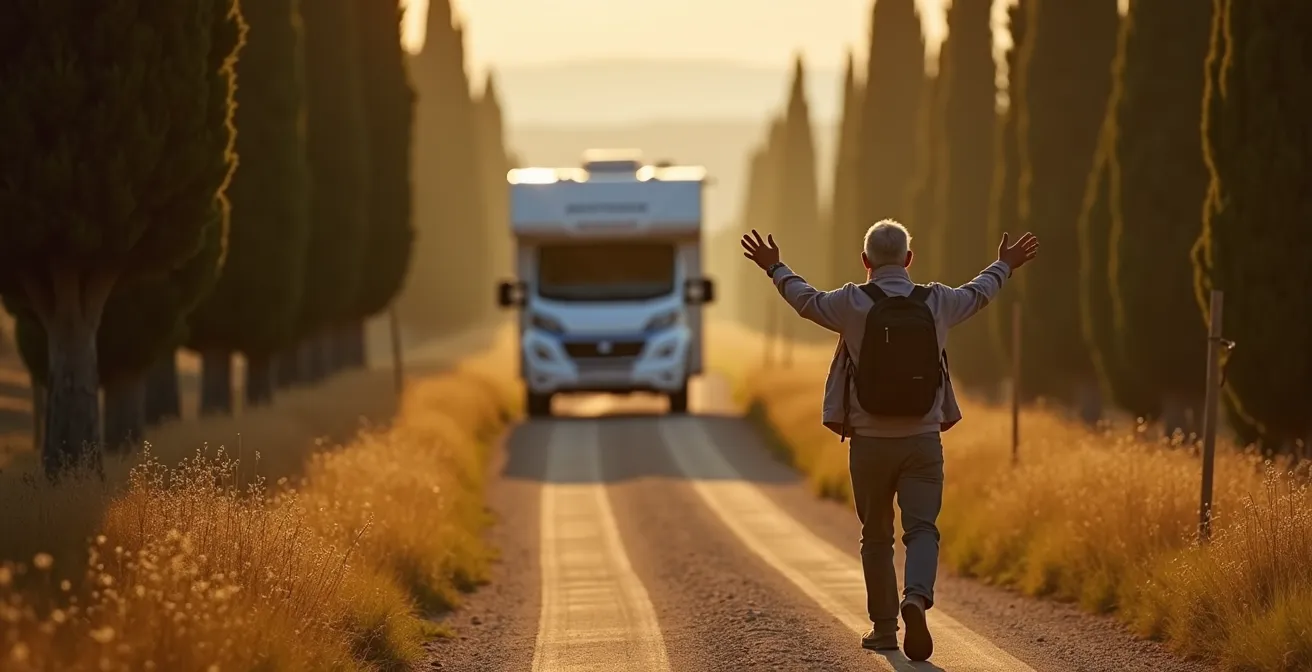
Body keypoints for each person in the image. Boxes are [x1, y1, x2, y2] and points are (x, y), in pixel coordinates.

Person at [740, 220, 1039, 662]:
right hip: (922, 440)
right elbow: (979, 293)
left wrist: (775, 267)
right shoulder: (937, 301)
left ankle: (883, 630)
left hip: (869, 442)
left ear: (865, 263)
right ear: (909, 260)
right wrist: (1004, 264)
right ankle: (915, 598)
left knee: (876, 536)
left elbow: (806, 301)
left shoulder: (850, 302)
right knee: (922, 529)